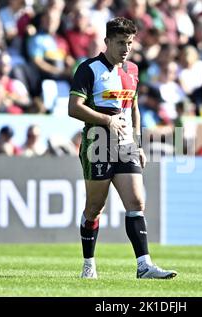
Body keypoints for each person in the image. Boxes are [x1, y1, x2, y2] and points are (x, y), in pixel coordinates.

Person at [68, 17, 177, 279]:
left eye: (129, 43)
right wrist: (106, 120)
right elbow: (73, 108)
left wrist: (138, 143)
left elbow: (134, 108)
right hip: (98, 144)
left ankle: (144, 266)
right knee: (95, 207)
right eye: (120, 43)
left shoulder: (132, 71)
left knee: (137, 201)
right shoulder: (89, 69)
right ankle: (88, 264)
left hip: (126, 144)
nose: (126, 48)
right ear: (106, 42)